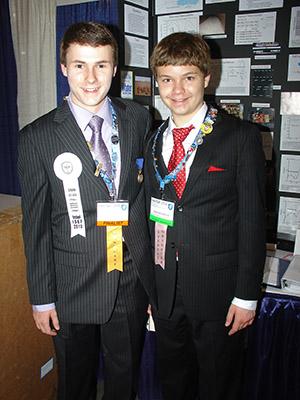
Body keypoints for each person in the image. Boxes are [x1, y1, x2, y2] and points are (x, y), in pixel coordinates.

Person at [17, 22, 156, 400]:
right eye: (79, 65)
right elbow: (37, 226)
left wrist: (152, 282)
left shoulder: (139, 119)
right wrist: (41, 297)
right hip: (71, 285)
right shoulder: (38, 137)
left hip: (129, 280)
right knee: (74, 385)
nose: (90, 78)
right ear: (64, 67)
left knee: (123, 383)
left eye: (101, 65)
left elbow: (142, 200)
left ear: (116, 68)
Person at [145, 32, 266, 400]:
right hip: (166, 293)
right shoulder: (152, 140)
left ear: (206, 77)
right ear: (157, 82)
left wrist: (246, 296)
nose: (177, 90)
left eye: (188, 77)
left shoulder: (241, 137)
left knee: (218, 385)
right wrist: (152, 289)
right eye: (167, 79)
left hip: (219, 293)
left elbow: (252, 222)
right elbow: (155, 220)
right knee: (174, 382)